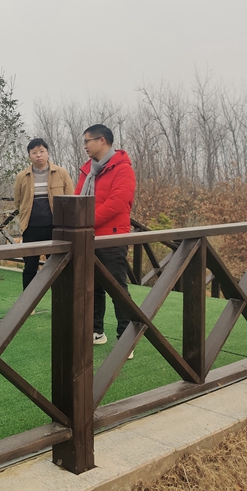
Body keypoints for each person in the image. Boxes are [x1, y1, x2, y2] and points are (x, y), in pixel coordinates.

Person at [74, 124, 136, 352]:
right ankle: (95, 331)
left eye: (87, 141)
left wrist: (85, 222)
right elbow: (77, 198)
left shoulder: (123, 169)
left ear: (102, 140)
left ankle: (126, 339)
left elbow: (117, 203)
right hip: (88, 238)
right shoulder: (87, 170)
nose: (85, 146)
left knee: (117, 288)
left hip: (112, 237)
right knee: (92, 287)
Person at [13, 138, 75, 292]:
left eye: (42, 151)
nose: (38, 155)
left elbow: (70, 197)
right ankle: (28, 302)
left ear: (47, 153)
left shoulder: (61, 173)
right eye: (34, 152)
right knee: (30, 267)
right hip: (30, 228)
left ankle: (59, 300)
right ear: (29, 156)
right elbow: (18, 201)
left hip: (55, 228)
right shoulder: (22, 176)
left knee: (56, 266)